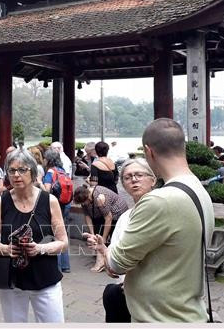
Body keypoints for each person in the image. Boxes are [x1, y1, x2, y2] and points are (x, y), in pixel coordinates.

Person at [86, 118, 215, 322]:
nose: (134, 180)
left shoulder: (159, 201)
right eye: (128, 177)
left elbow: (116, 264)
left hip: (161, 317)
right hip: (187, 310)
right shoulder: (199, 190)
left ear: (149, 151)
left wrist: (106, 251)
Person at [0, 149, 69, 323]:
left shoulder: (49, 201)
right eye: (12, 170)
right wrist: (5, 248)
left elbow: (63, 242)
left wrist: (40, 248)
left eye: (22, 170)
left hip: (45, 277)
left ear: (32, 171)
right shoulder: (2, 202)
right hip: (12, 279)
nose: (16, 175)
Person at [91, 158, 157, 322]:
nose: (133, 180)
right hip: (125, 291)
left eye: (139, 175)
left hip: (154, 297)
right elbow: (113, 266)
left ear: (153, 180)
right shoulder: (125, 218)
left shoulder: (161, 213)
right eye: (127, 177)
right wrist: (104, 251)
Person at [73, 183, 128, 272]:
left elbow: (108, 218)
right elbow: (87, 216)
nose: (83, 205)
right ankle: (103, 258)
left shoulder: (100, 197)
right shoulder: (84, 199)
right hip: (102, 216)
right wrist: (92, 233)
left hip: (117, 214)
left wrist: (104, 238)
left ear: (88, 198)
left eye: (84, 203)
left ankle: (105, 262)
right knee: (97, 234)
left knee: (109, 237)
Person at [41, 149, 71, 273]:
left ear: (48, 160)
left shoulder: (50, 172)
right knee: (62, 235)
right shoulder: (62, 171)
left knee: (55, 235)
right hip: (65, 205)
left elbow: (46, 190)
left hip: (54, 206)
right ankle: (65, 265)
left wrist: (38, 182)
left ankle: (57, 266)